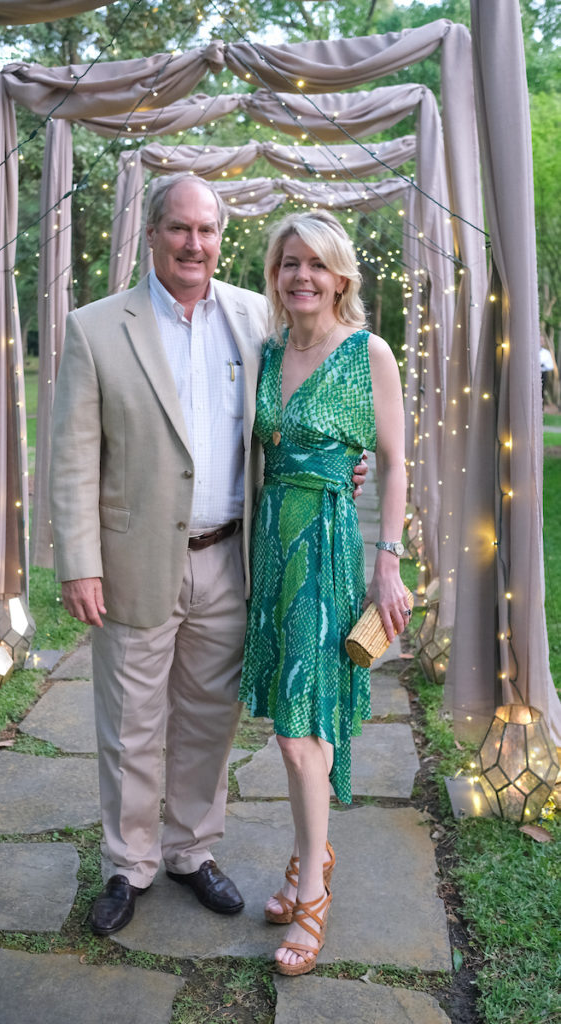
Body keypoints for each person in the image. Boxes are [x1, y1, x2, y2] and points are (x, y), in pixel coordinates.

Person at [50, 174, 368, 938]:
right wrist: (77, 560)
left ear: (221, 239)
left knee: (207, 718)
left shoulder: (254, 316)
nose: (195, 244)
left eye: (207, 230)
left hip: (232, 559)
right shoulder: (96, 328)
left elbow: (301, 402)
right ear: (153, 235)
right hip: (131, 560)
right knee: (129, 721)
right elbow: (70, 458)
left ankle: (191, 850)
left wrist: (336, 459)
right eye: (180, 229)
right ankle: (128, 865)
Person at [239, 210, 408, 976]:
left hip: (332, 552)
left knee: (299, 730)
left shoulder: (366, 352)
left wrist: (389, 562)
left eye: (315, 263)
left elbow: (394, 463)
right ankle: (313, 855)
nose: (300, 275)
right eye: (286, 263)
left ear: (341, 275)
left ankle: (312, 889)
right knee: (290, 719)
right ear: (274, 277)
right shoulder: (269, 353)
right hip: (273, 551)